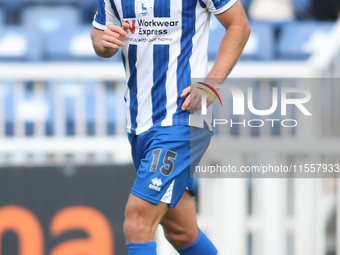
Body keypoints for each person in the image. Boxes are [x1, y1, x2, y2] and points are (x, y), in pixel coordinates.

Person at [91, 0, 250, 255]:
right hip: (139, 121)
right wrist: (104, 42)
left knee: (136, 221)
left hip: (183, 116)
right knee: (181, 232)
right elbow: (100, 35)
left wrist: (212, 83)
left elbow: (239, 25)